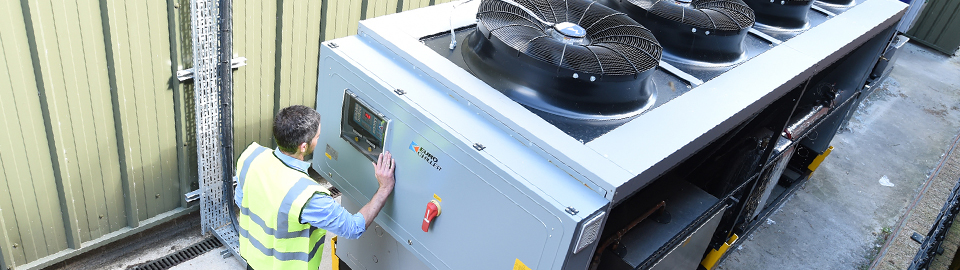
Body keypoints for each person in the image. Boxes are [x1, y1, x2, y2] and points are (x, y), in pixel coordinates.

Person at [234, 105, 396, 269]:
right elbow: (353, 228)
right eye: (317, 136)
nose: (319, 139)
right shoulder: (308, 196)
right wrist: (384, 188)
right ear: (303, 147)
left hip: (255, 262)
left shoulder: (251, 158)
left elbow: (242, 201)